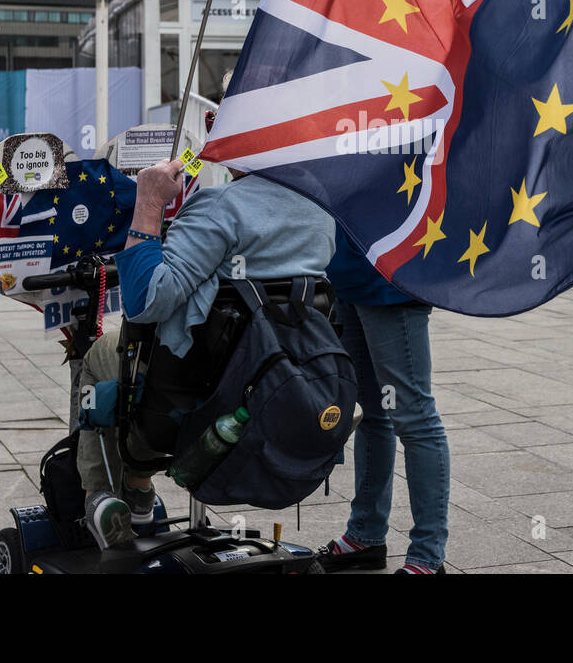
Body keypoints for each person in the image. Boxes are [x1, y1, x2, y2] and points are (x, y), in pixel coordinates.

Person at [80, 155, 335, 549]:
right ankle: (138, 490)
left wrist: (148, 203)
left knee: (98, 355)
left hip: (195, 394)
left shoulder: (221, 206)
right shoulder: (320, 211)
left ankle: (111, 492)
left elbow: (147, 301)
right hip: (276, 388)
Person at [318, 226, 449, 574]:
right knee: (372, 416)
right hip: (347, 275)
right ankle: (365, 535)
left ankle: (427, 557)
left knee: (415, 418)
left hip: (391, 277)